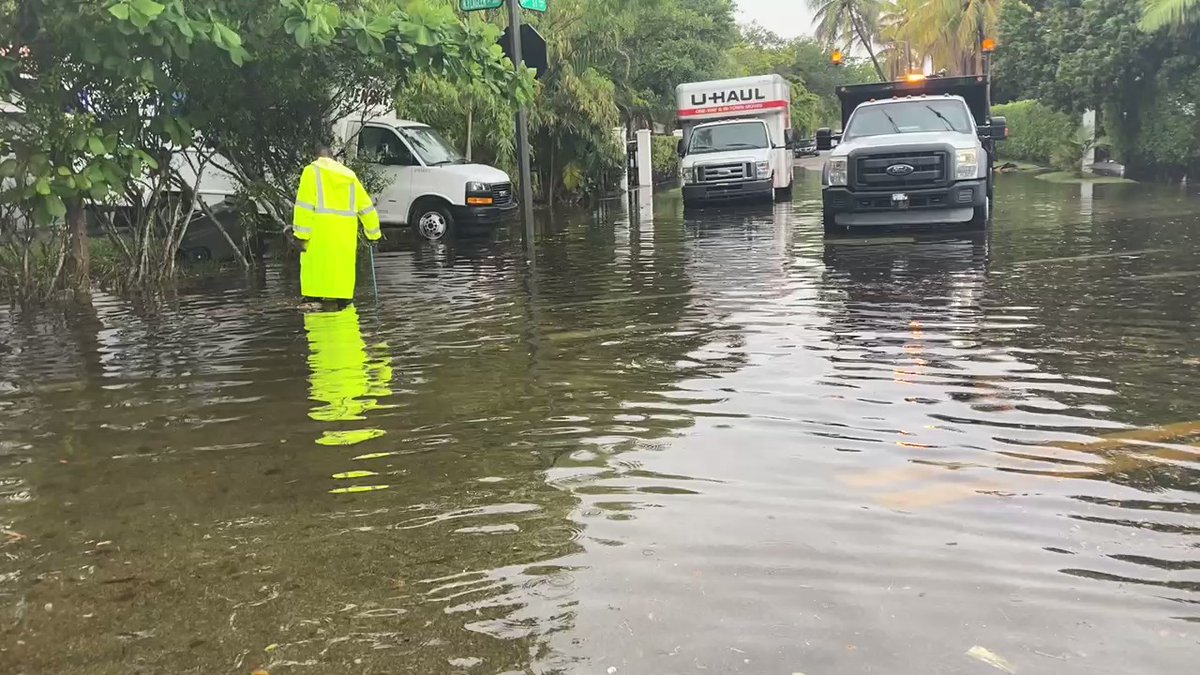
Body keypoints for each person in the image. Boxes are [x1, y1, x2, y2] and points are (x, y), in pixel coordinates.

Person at [292, 145, 381, 309]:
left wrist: (300, 234)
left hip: (319, 235)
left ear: (317, 157)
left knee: (316, 272)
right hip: (344, 236)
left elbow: (303, 206)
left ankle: (314, 299)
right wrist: (373, 234)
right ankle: (343, 301)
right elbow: (366, 207)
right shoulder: (349, 175)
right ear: (333, 158)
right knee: (342, 273)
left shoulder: (311, 171)